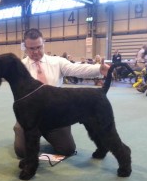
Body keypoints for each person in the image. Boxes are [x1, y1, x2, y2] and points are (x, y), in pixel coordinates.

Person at [14, 28, 109, 158]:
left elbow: (76, 69)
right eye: (31, 49)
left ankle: (45, 134)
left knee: (67, 149)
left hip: (55, 115)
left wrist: (99, 69)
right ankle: (20, 129)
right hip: (30, 116)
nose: (36, 52)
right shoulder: (19, 67)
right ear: (25, 47)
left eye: (39, 47)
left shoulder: (57, 61)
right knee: (22, 152)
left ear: (44, 43)